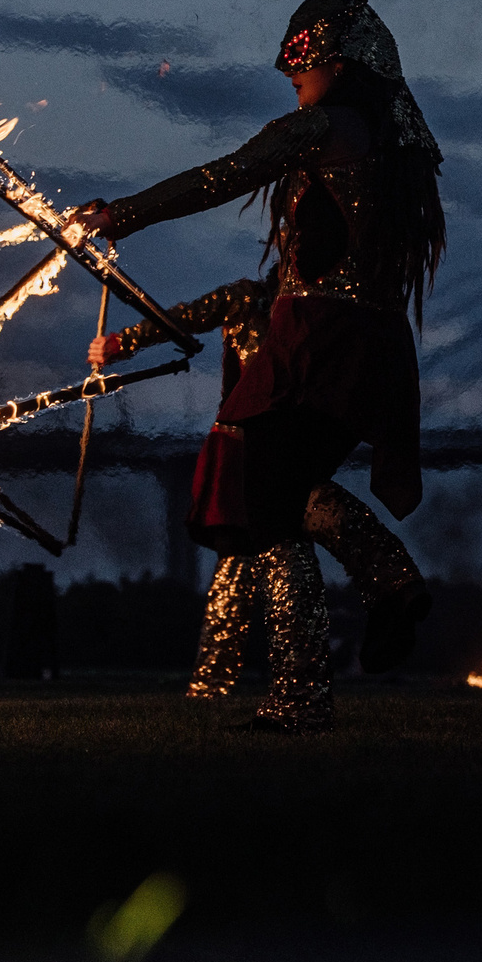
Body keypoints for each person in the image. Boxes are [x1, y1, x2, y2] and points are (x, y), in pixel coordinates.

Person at [75, 0, 442, 732]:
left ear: (338, 63)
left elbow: (223, 175)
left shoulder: (326, 128)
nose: (292, 80)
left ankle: (303, 692)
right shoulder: (388, 143)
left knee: (268, 509)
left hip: (318, 341)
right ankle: (389, 583)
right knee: (289, 490)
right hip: (369, 344)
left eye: (302, 65)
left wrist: (122, 215)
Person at [97, 268, 433, 693]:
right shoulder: (324, 309)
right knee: (270, 539)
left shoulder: (253, 299)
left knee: (254, 546)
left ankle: (224, 683)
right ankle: (391, 580)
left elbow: (185, 317)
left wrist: (120, 343)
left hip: (248, 437)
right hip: (296, 430)